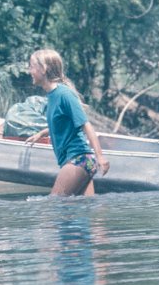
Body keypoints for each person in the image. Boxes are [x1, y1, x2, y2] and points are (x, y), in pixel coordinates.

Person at [25, 49, 110, 196]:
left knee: (53, 206)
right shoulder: (52, 96)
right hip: (83, 162)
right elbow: (62, 123)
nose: (29, 70)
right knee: (86, 213)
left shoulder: (63, 94)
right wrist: (41, 133)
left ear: (44, 69)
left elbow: (86, 125)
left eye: (32, 66)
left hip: (78, 160)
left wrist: (100, 156)